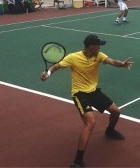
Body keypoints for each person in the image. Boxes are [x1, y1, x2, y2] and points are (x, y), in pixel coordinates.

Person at [40, 34, 133, 168]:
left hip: (94, 91)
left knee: (116, 111)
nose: (100, 47)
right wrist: (47, 74)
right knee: (91, 122)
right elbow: (55, 67)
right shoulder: (73, 57)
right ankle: (78, 161)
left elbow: (112, 61)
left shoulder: (98, 55)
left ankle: (110, 131)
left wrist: (122, 64)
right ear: (91, 46)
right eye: (98, 45)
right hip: (80, 94)